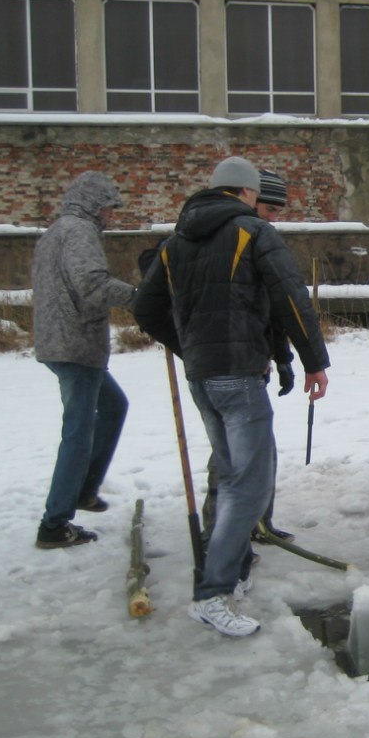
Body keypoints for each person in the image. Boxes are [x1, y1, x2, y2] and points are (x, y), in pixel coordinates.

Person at [133, 156, 330, 638]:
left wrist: (192, 347)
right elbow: (291, 298)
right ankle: (212, 593)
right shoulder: (252, 231)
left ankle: (235, 569)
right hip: (239, 377)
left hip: (203, 378)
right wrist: (314, 361)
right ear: (247, 191)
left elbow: (146, 308)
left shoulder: (176, 241)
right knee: (250, 485)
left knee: (229, 477)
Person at [32, 171, 136, 550]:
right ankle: (54, 524)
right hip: (75, 344)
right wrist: (140, 297)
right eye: (108, 208)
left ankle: (84, 489)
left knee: (113, 406)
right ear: (94, 205)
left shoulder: (55, 232)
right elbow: (92, 285)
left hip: (59, 341)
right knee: (78, 432)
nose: (111, 216)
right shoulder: (79, 232)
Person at [198, 168, 296, 546]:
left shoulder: (258, 242)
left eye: (277, 212)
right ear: (250, 200)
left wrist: (282, 357)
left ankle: (258, 523)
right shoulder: (218, 240)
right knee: (231, 456)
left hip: (254, 362)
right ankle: (218, 537)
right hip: (225, 367)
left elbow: (273, 307)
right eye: (268, 209)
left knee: (260, 451)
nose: (272, 218)